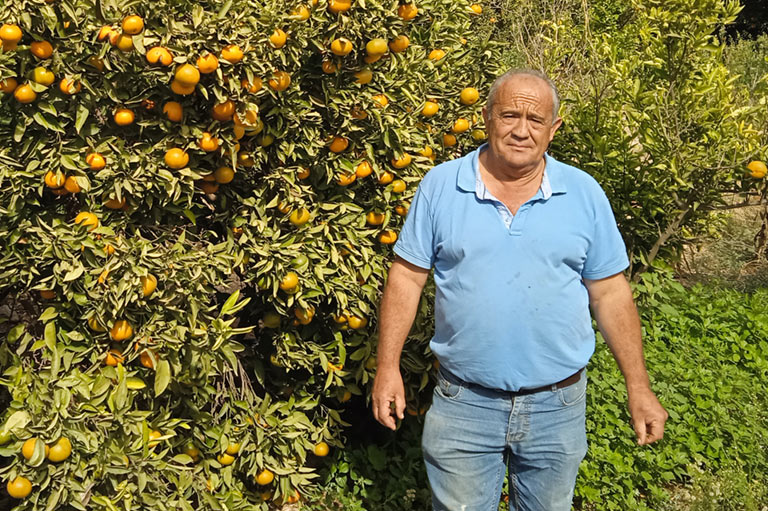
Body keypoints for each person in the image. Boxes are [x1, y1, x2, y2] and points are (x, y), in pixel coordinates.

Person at [371, 69, 668, 511]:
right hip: (463, 402)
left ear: (554, 129)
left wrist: (639, 387)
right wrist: (387, 366)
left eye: (536, 119)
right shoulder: (440, 186)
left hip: (558, 405)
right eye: (510, 114)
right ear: (487, 117)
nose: (521, 130)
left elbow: (610, 293)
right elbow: (407, 277)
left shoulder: (584, 193)